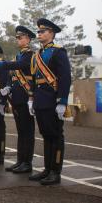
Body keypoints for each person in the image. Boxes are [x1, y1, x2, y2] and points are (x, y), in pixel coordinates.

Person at [0, 26, 35, 173]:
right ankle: (20, 161)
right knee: (21, 131)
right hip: (17, 98)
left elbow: (19, 66)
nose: (18, 40)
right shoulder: (20, 55)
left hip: (25, 97)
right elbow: (13, 76)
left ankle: (27, 162)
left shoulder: (29, 55)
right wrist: (9, 87)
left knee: (27, 131)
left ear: (28, 39)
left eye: (21, 37)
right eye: (17, 37)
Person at [28, 18, 71, 185]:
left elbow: (65, 77)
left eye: (42, 31)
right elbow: (33, 78)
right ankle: (47, 169)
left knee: (55, 136)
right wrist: (31, 98)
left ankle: (55, 171)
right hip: (40, 100)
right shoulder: (37, 54)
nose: (39, 34)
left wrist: (62, 101)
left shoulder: (58, 52)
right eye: (38, 31)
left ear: (51, 33)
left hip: (53, 100)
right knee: (46, 135)